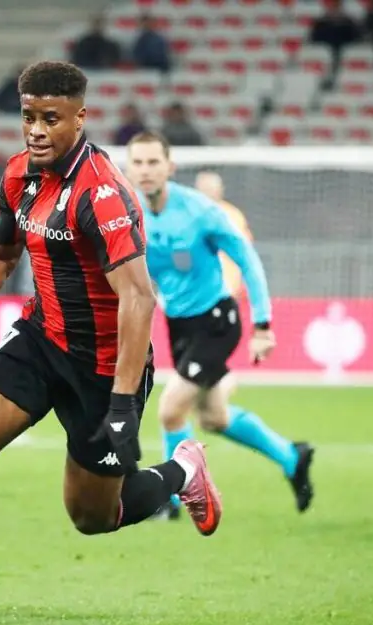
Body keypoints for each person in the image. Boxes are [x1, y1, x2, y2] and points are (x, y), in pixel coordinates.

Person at [0, 61, 223, 625]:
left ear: (79, 118)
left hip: (104, 368)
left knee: (94, 517)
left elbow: (138, 299)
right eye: (28, 116)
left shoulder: (103, 194)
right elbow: (4, 252)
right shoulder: (18, 174)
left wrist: (126, 405)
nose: (35, 129)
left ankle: (183, 471)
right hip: (41, 338)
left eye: (49, 118)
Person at [125, 132, 314, 520]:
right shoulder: (130, 213)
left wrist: (263, 324)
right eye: (138, 163)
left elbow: (248, 261)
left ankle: (171, 499)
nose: (145, 171)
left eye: (153, 162)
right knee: (213, 417)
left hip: (215, 321)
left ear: (170, 167)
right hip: (178, 324)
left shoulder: (200, 212)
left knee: (171, 410)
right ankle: (291, 457)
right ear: (129, 169)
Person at [194, 170, 253, 299]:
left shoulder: (233, 215)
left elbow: (245, 251)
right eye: (205, 189)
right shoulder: (186, 216)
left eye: (211, 188)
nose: (208, 192)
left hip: (227, 289)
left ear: (220, 190)